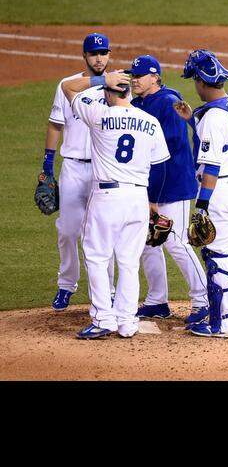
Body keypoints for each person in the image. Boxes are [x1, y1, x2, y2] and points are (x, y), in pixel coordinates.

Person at [60, 69, 171, 339]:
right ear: (129, 92)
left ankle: (103, 319)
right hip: (137, 199)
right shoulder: (151, 121)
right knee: (130, 262)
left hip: (107, 198)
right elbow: (160, 167)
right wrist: (151, 204)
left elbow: (68, 87)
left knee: (98, 258)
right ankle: (127, 322)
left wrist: (101, 79)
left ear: (110, 92)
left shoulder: (100, 115)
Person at [173, 49, 228, 338]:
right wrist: (191, 121)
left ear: (201, 81)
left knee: (216, 256)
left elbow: (211, 167)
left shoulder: (211, 119)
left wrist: (201, 206)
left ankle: (222, 323)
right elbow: (225, 142)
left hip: (219, 191)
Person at [128, 54, 210, 327]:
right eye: (133, 75)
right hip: (149, 183)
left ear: (155, 77)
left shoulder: (168, 103)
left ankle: (203, 301)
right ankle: (156, 301)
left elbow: (171, 151)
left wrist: (154, 197)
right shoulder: (139, 102)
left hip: (173, 183)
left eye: (140, 75)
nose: (134, 79)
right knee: (148, 241)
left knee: (176, 243)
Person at [40, 33, 116, 310]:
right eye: (94, 53)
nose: (99, 58)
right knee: (68, 231)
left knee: (102, 233)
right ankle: (66, 284)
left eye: (104, 53)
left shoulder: (119, 86)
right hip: (72, 167)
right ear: (84, 56)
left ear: (109, 54)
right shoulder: (68, 86)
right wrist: (47, 166)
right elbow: (55, 125)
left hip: (103, 170)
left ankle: (107, 290)